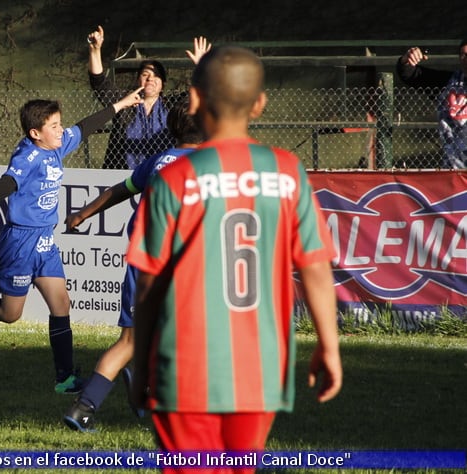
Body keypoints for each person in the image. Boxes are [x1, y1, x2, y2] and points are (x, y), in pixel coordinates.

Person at [127, 45, 343, 472]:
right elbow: (316, 267)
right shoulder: (288, 172)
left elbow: (149, 285)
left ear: (192, 99)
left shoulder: (173, 179)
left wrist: (140, 364)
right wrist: (329, 346)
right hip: (259, 368)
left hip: (186, 366)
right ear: (260, 104)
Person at [0, 89, 144, 395]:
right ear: (35, 133)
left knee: (61, 303)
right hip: (20, 241)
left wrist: (120, 105)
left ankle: (65, 378)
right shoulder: (28, 154)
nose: (61, 129)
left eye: (59, 123)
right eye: (54, 126)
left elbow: (86, 127)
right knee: (10, 315)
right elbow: (11, 179)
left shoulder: (55, 146)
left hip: (44, 240)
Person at [62, 98, 203, 432]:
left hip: (142, 262)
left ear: (171, 129)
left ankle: (82, 409)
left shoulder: (157, 161)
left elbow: (120, 190)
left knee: (129, 342)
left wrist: (82, 213)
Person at [87, 27, 210, 170]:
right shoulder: (125, 101)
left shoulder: (172, 105)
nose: (150, 78)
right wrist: (95, 51)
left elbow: (202, 94)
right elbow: (100, 84)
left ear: (163, 84)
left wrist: (202, 69)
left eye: (156, 75)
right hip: (123, 173)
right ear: (138, 80)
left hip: (163, 172)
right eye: (145, 74)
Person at [396, 40, 467, 168]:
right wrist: (407, 60)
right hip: (455, 169)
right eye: (463, 55)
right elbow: (411, 74)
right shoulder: (449, 83)